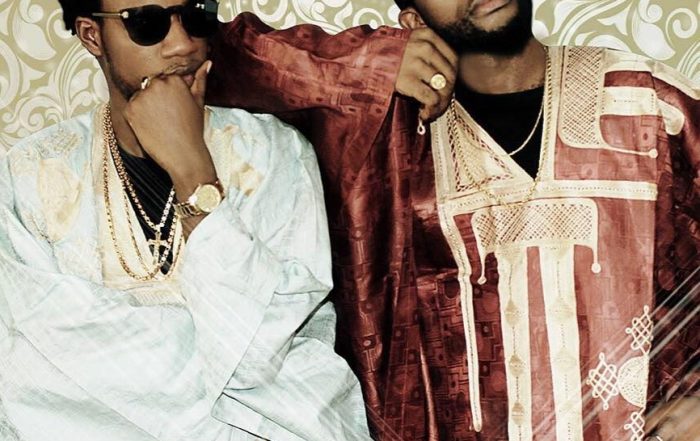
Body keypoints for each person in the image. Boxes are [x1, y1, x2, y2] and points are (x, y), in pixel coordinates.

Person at [206, 0, 699, 440]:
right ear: (412, 20)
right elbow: (213, 57)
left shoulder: (650, 103)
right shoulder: (386, 148)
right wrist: (370, 63)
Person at [0, 0, 374, 440]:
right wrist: (219, 348)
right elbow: (35, 372)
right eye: (148, 23)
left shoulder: (276, 154)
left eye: (196, 16)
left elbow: (273, 350)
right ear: (91, 35)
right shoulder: (30, 173)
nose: (182, 44)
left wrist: (193, 173)